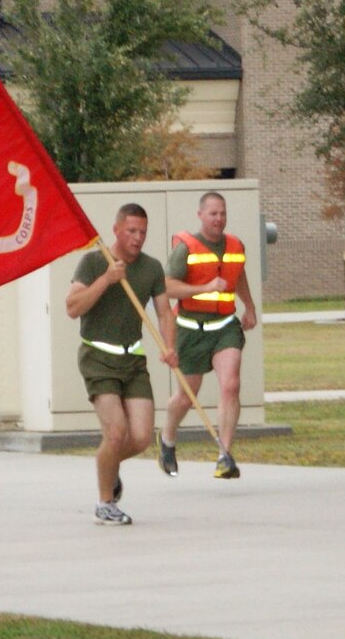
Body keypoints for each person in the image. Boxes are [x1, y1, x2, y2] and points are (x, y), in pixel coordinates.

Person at [65, 204, 177, 526]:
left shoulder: (151, 268)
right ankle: (105, 502)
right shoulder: (94, 261)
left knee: (140, 437)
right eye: (131, 231)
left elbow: (164, 312)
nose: (138, 238)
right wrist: (107, 279)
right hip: (98, 357)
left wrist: (170, 347)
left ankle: (107, 466)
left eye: (142, 232)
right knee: (116, 432)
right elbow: (73, 308)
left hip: (133, 360)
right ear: (116, 230)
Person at [159, 191, 259, 480]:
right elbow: (168, 288)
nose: (219, 219)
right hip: (191, 329)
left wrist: (249, 307)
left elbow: (237, 275)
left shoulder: (235, 245)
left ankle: (225, 455)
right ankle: (167, 439)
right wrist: (202, 290)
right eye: (213, 213)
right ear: (200, 215)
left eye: (223, 213)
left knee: (231, 385)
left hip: (225, 326)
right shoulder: (186, 248)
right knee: (186, 397)